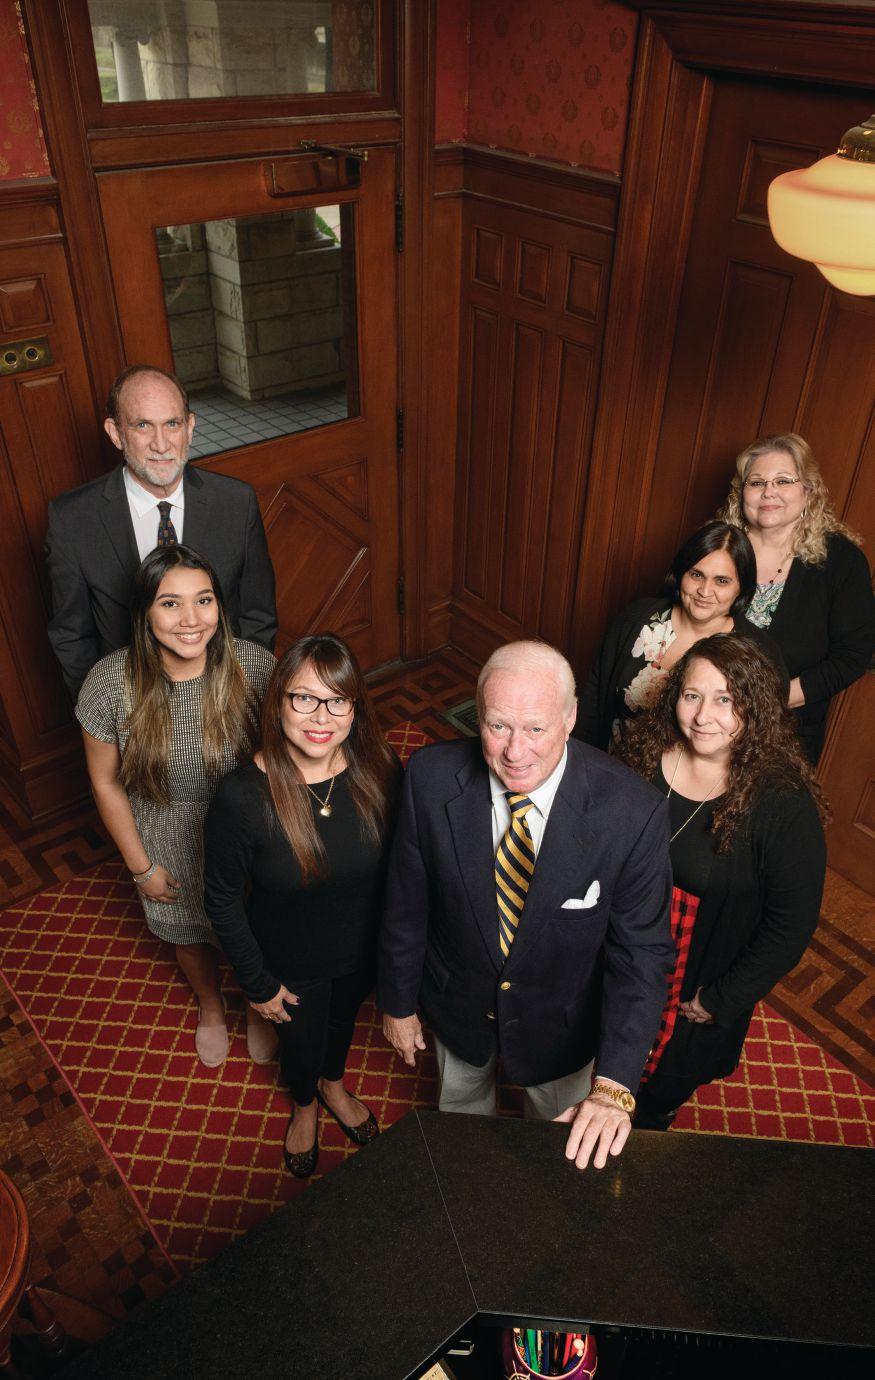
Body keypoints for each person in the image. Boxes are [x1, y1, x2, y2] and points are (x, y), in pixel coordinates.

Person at [378, 640, 675, 1172]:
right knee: (461, 1129)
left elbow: (641, 956)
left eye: (536, 728)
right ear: (478, 716)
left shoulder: (633, 813)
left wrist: (612, 1087)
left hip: (562, 1029)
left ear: (570, 718)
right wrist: (398, 1004)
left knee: (556, 1157)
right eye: (498, 726)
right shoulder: (428, 776)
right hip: (457, 1007)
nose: (515, 752)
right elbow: (406, 903)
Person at [203, 635, 402, 1178]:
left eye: (338, 700)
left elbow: (402, 869)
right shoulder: (242, 795)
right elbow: (221, 898)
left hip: (360, 952)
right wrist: (257, 983)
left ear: (355, 708)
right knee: (301, 1041)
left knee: (341, 1025)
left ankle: (333, 1086)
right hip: (289, 963)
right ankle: (306, 1103)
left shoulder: (379, 767)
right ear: (278, 703)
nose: (322, 716)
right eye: (305, 698)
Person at [615, 634, 827, 1129]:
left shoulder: (782, 803)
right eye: (692, 695)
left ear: (755, 706)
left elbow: (790, 926)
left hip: (689, 985)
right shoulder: (642, 754)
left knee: (649, 1104)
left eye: (726, 700)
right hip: (615, 954)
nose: (703, 716)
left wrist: (722, 998)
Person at [76, 544, 275, 1067]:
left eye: (204, 600)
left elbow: (287, 758)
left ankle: (256, 1003)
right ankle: (210, 1005)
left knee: (256, 926)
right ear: (144, 612)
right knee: (187, 933)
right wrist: (141, 868)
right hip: (166, 836)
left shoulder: (254, 666)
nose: (192, 619)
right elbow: (105, 783)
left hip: (248, 833)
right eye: (170, 603)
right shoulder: (109, 683)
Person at [46, 364, 277, 700]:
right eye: (142, 425)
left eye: (172, 424)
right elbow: (71, 635)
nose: (161, 444)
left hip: (224, 695)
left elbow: (259, 615)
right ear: (116, 433)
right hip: (132, 701)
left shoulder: (236, 502)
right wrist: (106, 710)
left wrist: (242, 694)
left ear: (190, 427)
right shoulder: (73, 519)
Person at [718, 432, 873, 764]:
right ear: (741, 492)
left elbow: (853, 655)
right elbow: (673, 619)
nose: (768, 492)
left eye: (783, 481)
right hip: (701, 720)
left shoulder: (842, 561)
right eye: (756, 482)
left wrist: (770, 701)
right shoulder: (717, 546)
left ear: (808, 490)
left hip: (784, 732)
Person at [576, 521, 786, 751]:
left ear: (741, 588)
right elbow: (593, 701)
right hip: (614, 762)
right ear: (681, 573)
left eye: (721, 581)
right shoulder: (636, 617)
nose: (705, 591)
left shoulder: (760, 652)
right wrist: (582, 759)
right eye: (696, 575)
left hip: (693, 774)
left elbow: (765, 739)